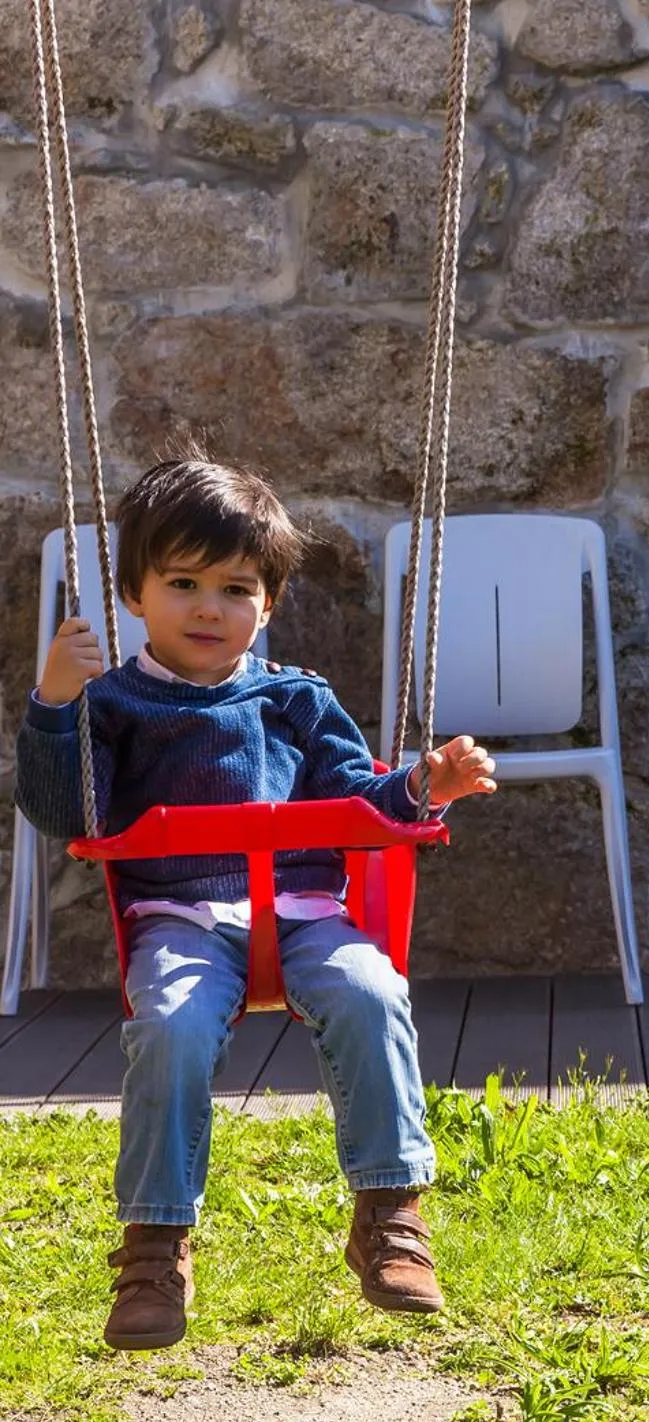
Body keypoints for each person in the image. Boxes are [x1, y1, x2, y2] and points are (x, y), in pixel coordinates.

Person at [13, 458, 498, 1351]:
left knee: (372, 993)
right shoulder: (109, 704)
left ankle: (389, 1212)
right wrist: (54, 702)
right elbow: (65, 814)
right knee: (170, 1029)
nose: (209, 608)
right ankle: (155, 1246)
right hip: (181, 923)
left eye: (235, 589)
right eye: (183, 584)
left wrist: (424, 785)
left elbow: (362, 797)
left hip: (307, 913)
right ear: (133, 592)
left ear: (267, 605)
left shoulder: (296, 698)